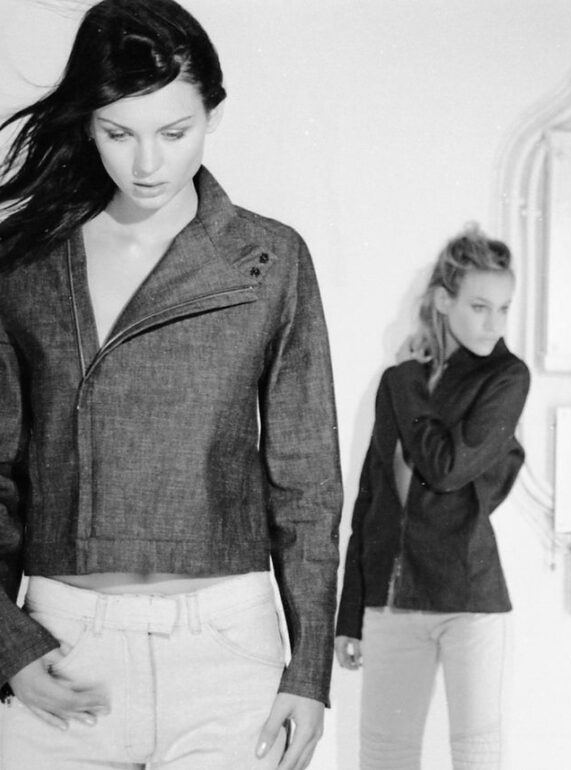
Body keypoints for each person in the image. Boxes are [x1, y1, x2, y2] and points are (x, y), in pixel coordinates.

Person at [0, 1, 342, 768]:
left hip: (229, 650)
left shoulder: (269, 260)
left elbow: (308, 483)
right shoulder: (22, 264)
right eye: (118, 133)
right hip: (60, 649)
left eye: (174, 131)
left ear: (212, 114)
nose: (147, 163)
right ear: (88, 124)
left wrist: (310, 669)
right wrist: (7, 645)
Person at [334, 225, 530, 770]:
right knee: (383, 757)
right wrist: (351, 611)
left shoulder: (506, 378)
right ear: (444, 301)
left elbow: (446, 469)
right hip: (393, 600)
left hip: (469, 599)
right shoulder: (402, 380)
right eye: (480, 307)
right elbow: (371, 497)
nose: (494, 324)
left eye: (503, 309)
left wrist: (406, 383)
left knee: (477, 756)